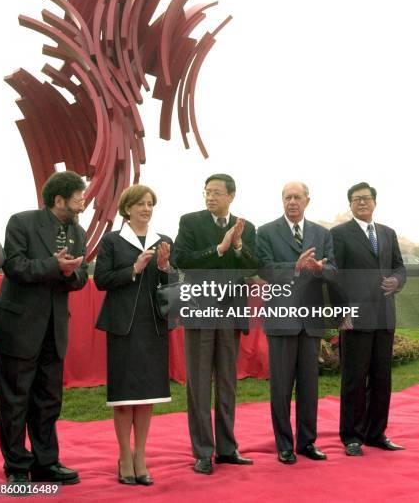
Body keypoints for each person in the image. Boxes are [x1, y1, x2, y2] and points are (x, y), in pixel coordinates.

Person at [0, 171, 88, 485]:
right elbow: (14, 266)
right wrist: (53, 265)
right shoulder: (22, 222)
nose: (83, 201)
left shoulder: (78, 231)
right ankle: (17, 466)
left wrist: (71, 273)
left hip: (54, 329)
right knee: (15, 400)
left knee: (48, 399)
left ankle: (46, 462)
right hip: (18, 328)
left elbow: (82, 276)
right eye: (78, 196)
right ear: (60, 199)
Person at [173, 173, 258, 475]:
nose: (210, 197)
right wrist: (219, 249)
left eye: (217, 192)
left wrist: (236, 247)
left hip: (231, 314)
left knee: (226, 383)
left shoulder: (245, 227)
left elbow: (253, 266)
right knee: (198, 382)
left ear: (231, 196)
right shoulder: (190, 222)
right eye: (207, 192)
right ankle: (203, 452)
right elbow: (181, 260)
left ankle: (226, 449)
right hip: (199, 311)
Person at [94, 185, 174, 487]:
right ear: (127, 208)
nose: (146, 208)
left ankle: (141, 455)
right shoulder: (112, 241)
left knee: (147, 398)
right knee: (125, 399)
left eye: (150, 203)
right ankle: (124, 456)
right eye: (140, 203)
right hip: (123, 327)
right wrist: (134, 268)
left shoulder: (164, 241)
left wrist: (165, 268)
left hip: (153, 326)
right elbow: (101, 280)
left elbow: (169, 285)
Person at [256, 181, 336, 464]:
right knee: (281, 387)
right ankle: (284, 445)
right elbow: (263, 268)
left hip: (311, 321)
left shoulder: (322, 233)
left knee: (308, 386)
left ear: (307, 201)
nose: (292, 201)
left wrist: (321, 269)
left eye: (297, 197)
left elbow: (334, 270)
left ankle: (307, 442)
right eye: (287, 197)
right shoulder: (265, 232)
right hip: (281, 320)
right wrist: (295, 266)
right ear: (282, 200)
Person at [330, 182, 406, 456]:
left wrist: (396, 280)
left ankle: (376, 433)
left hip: (385, 315)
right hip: (355, 317)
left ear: (375, 202)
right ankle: (351, 436)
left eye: (366, 198)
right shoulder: (339, 234)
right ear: (350, 205)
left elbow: (399, 266)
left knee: (382, 378)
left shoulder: (387, 233)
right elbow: (334, 276)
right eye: (356, 199)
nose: (361, 203)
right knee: (354, 377)